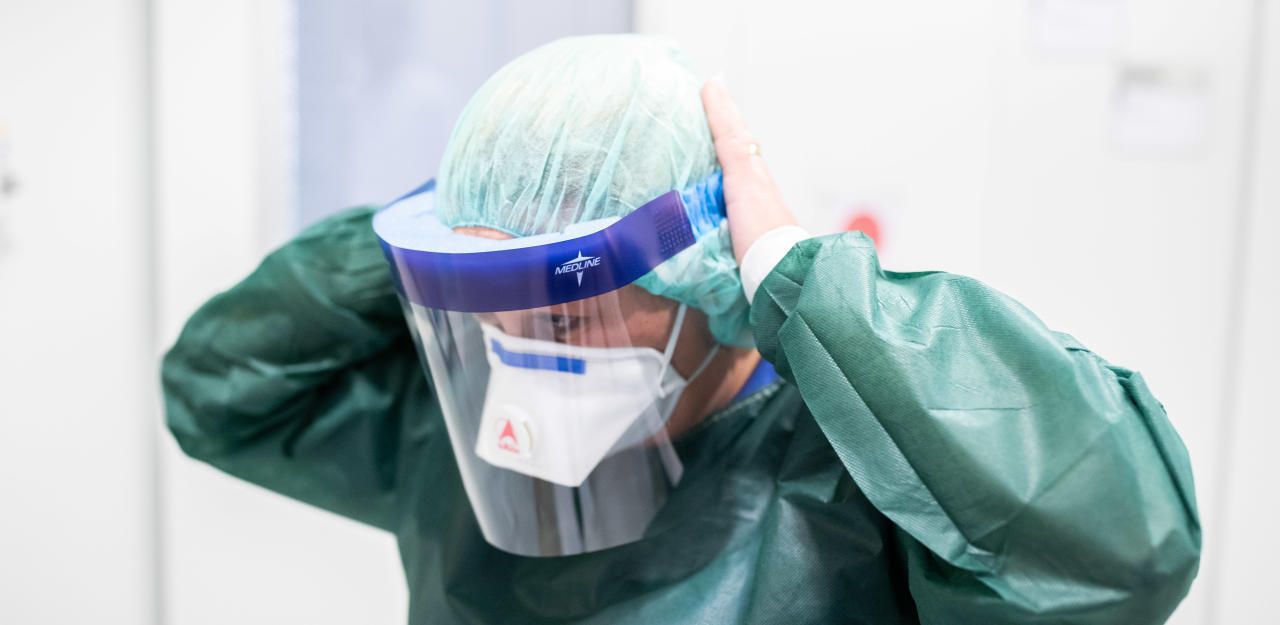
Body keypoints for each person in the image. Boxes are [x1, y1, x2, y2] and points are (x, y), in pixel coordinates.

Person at [163, 35, 1200, 624]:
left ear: (697, 269)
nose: (522, 351)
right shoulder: (469, 434)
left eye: (564, 305)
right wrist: (407, 245)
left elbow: (1124, 552)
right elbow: (218, 394)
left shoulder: (856, 473)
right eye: (492, 308)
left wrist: (802, 280)